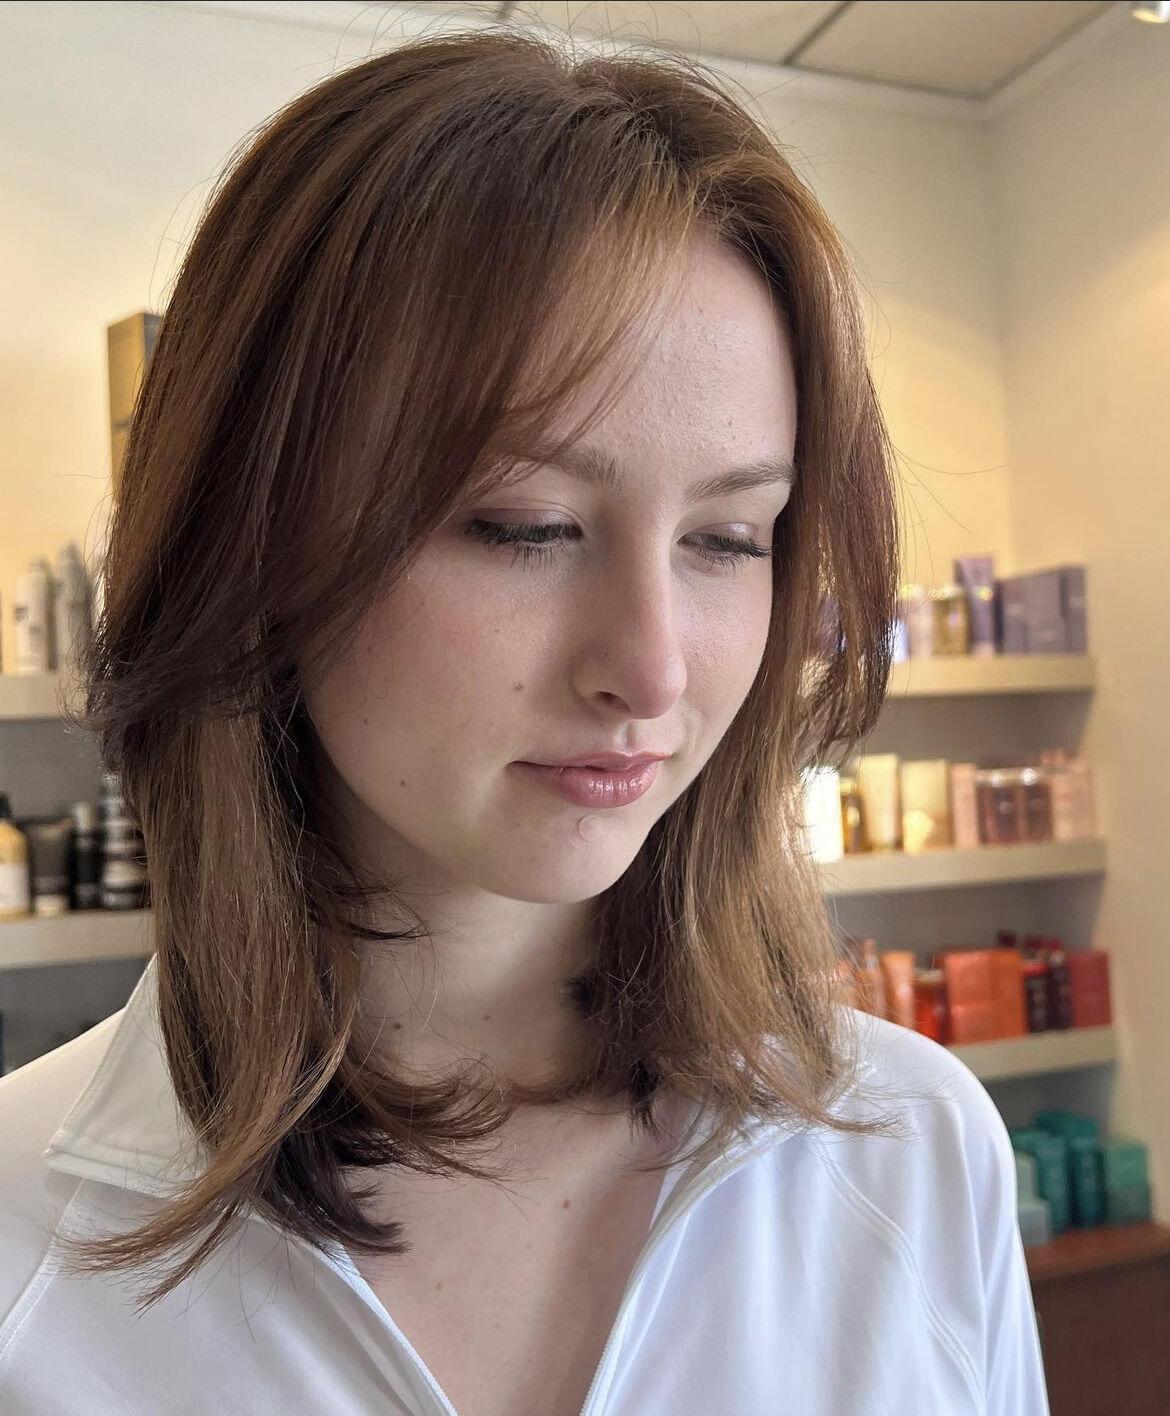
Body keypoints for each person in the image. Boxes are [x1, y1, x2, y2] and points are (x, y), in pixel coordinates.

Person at [0, 25, 1048, 1416]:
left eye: (729, 538)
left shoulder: (911, 1150)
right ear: (250, 539)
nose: (652, 671)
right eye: (524, 525)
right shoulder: (23, 1239)